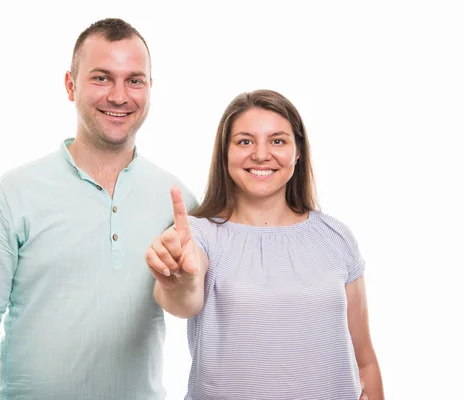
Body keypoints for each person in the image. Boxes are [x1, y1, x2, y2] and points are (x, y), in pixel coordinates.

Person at [0, 18, 196, 400]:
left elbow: (214, 312)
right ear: (70, 85)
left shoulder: (177, 201)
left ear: (149, 89)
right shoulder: (14, 194)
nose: (118, 95)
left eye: (134, 80)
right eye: (101, 78)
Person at [146, 90, 384, 400]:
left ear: (297, 152)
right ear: (225, 153)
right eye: (245, 141)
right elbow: (183, 300)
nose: (261, 154)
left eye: (277, 141)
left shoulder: (336, 237)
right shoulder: (200, 236)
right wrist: (178, 279)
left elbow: (363, 358)